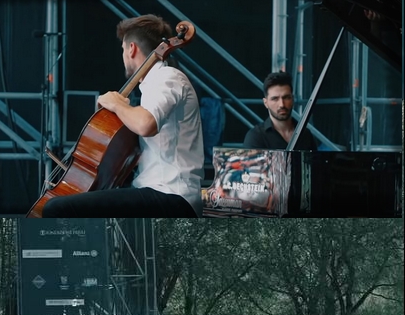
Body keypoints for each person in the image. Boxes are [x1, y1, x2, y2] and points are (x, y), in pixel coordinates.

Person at [41, 14, 204, 218]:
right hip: (156, 191)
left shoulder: (167, 77)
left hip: (171, 195)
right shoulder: (152, 86)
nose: (123, 55)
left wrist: (117, 104)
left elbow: (146, 124)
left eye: (123, 50)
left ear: (131, 48)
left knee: (56, 208)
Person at [243, 71, 317, 150]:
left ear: (292, 99)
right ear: (266, 103)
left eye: (286, 97)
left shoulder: (305, 135)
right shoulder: (255, 137)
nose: (282, 104)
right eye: (275, 99)